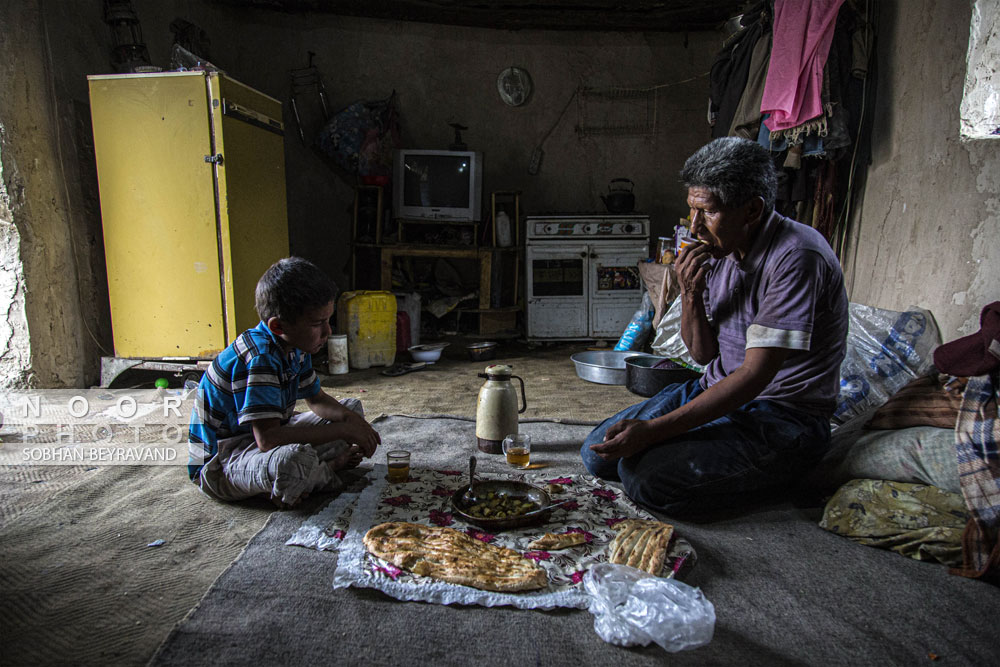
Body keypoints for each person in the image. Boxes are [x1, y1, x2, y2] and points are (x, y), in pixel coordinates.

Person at [581, 137, 848, 515]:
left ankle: (782, 480)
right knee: (599, 453)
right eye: (691, 211)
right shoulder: (722, 250)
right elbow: (703, 354)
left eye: (707, 213)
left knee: (646, 479)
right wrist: (690, 292)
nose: (695, 227)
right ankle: (708, 455)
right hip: (717, 389)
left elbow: (755, 376)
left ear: (752, 210)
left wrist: (656, 432)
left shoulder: (796, 256)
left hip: (781, 416)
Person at [188, 257, 381, 507]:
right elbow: (267, 439)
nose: (328, 332)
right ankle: (321, 472)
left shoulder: (296, 345)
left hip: (266, 434)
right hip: (224, 459)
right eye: (317, 323)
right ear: (278, 326)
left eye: (327, 320)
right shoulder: (261, 358)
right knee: (292, 463)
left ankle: (311, 474)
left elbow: (317, 399)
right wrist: (344, 431)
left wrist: (350, 422)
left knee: (351, 410)